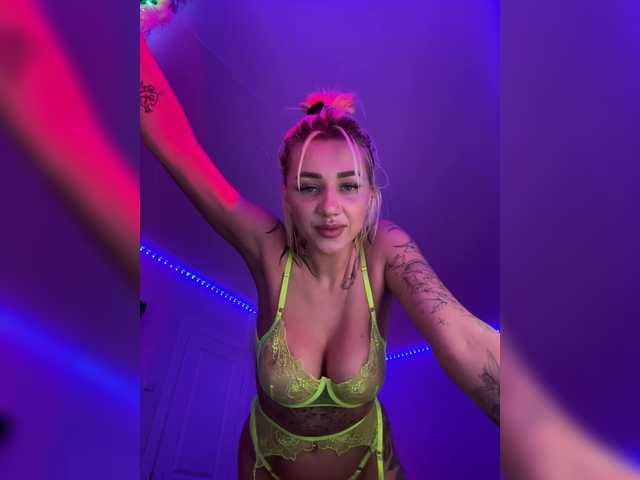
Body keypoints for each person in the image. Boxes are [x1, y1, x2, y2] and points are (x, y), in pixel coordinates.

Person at [140, 35, 500, 480]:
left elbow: (466, 340)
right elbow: (177, 147)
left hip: (370, 464)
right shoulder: (267, 248)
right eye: (309, 187)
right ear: (287, 197)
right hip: (266, 463)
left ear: (370, 196)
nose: (330, 207)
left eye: (348, 186)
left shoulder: (385, 249)